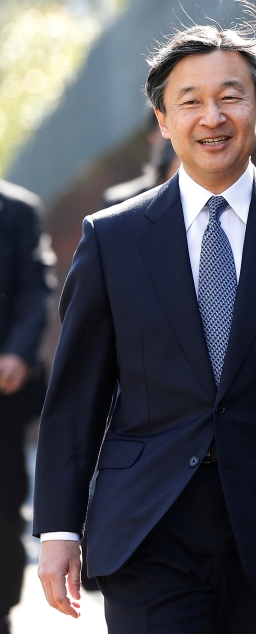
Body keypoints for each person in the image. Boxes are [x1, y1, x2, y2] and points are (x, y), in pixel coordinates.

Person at [33, 8, 256, 633]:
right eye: (191, 101)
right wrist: (59, 527)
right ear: (164, 120)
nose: (212, 118)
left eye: (231, 98)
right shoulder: (113, 239)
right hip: (147, 525)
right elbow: (75, 397)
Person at [0, 180, 54, 634]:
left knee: (3, 500)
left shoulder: (18, 208)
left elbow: (36, 288)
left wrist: (18, 352)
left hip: (4, 391)